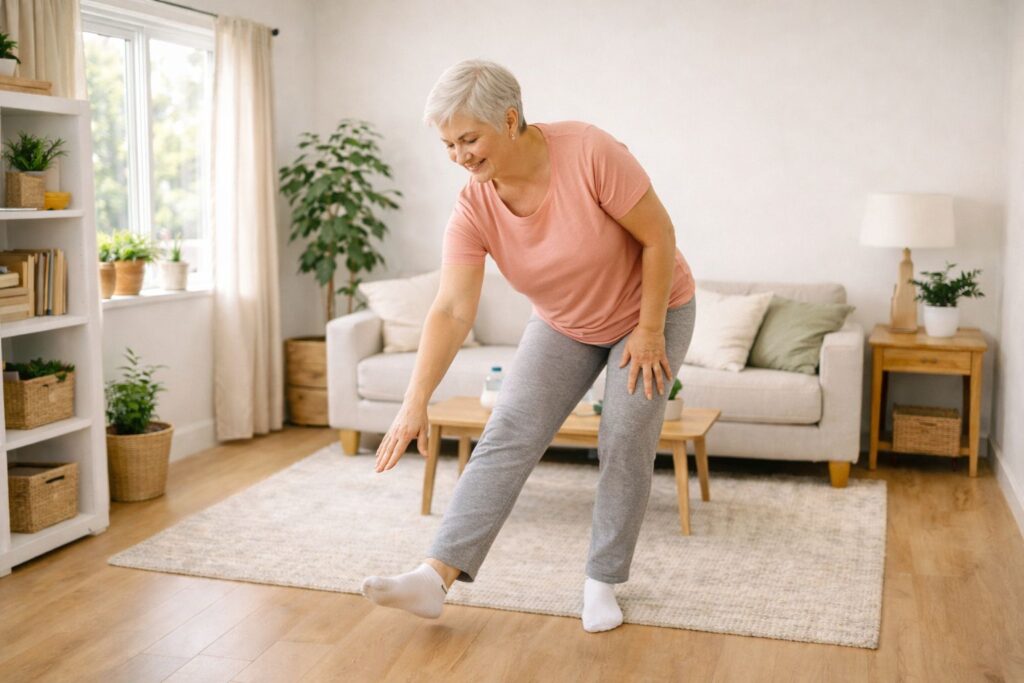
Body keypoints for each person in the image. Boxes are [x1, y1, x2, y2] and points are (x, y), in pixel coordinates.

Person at [360, 59, 696, 633]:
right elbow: (452, 308)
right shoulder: (474, 206)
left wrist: (648, 331)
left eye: (470, 139)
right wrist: (415, 401)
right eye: (448, 145)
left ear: (510, 119)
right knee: (508, 430)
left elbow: (659, 235)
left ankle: (601, 582)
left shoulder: (588, 152)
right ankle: (434, 577)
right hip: (565, 322)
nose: (460, 156)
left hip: (649, 311)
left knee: (624, 436)